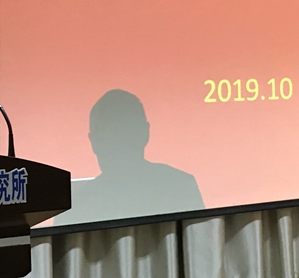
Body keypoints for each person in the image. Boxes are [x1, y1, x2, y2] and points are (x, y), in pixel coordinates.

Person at [55, 89, 204, 225]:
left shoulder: (74, 208)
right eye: (110, 135)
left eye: (122, 134)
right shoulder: (181, 185)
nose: (118, 142)